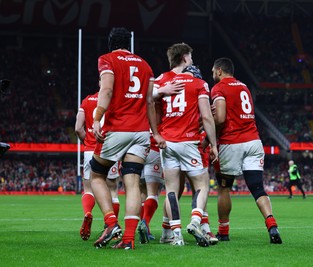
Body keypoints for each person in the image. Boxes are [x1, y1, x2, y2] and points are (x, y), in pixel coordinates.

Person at [89, 27, 165, 250]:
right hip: (141, 131)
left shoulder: (107, 59)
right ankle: (129, 239)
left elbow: (107, 90)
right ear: (128, 43)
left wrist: (97, 117)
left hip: (117, 128)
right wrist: (155, 132)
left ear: (110, 43)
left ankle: (111, 223)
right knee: (132, 182)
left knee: (96, 175)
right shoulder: (145, 65)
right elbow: (150, 103)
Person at [210, 57, 282, 244]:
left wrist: (208, 140)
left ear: (219, 71)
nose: (212, 75)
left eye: (213, 72)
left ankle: (223, 231)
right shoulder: (244, 87)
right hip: (253, 141)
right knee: (258, 188)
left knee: (224, 188)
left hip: (232, 142)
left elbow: (220, 119)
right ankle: (272, 225)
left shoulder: (218, 88)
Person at [153, 43, 218, 245]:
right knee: (201, 184)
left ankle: (176, 236)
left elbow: (146, 102)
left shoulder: (161, 80)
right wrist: (213, 144)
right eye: (190, 56)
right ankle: (196, 220)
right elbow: (207, 117)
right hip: (189, 141)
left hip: (167, 142)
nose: (192, 60)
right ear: (184, 58)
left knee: (171, 189)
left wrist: (160, 92)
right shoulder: (198, 83)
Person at [75, 91, 121, 241]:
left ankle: (88, 212)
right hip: (109, 149)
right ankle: (112, 225)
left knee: (88, 188)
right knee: (113, 190)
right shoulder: (113, 98)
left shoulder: (87, 100)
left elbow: (77, 128)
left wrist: (87, 142)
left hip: (90, 151)